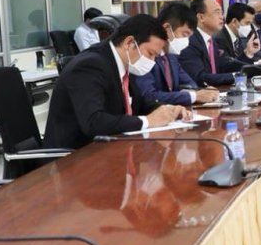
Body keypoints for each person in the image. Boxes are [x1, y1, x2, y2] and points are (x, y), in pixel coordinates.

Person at [44, 14, 190, 150]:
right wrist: (148, 121)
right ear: (129, 43)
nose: (152, 61)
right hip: (75, 156)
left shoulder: (123, 62)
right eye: (150, 54)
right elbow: (94, 122)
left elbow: (140, 103)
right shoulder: (90, 65)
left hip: (110, 148)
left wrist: (167, 110)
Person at [135, 1, 221, 107]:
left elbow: (190, 84)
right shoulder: (145, 55)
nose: (186, 41)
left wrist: (202, 92)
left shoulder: (172, 56)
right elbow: (149, 96)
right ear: (167, 28)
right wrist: (193, 96)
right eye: (184, 34)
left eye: (189, 36)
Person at [179, 0, 248, 86]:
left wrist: (251, 66)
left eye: (222, 13)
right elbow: (199, 77)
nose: (222, 17)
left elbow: (224, 66)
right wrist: (236, 76)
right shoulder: (190, 41)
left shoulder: (211, 41)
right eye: (217, 12)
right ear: (201, 17)